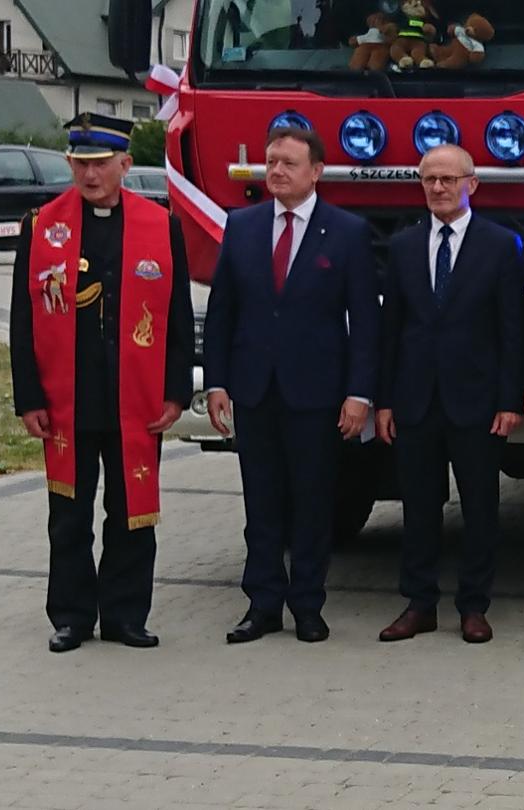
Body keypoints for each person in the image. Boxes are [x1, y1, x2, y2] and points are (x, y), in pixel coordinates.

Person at [10, 113, 192, 653]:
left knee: (132, 513)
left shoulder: (161, 226)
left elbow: (178, 318)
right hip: (69, 399)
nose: (90, 176)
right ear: (69, 164)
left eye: (100, 165)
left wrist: (177, 391)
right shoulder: (42, 226)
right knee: (68, 515)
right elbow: (24, 319)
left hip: (135, 400)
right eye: (80, 164)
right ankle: (70, 615)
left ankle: (125, 614)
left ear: (125, 165)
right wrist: (29, 398)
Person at [205, 127, 379, 644]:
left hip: (317, 393)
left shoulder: (347, 232)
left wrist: (359, 393)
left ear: (316, 171)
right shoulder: (242, 226)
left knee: (312, 500)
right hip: (254, 389)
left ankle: (307, 603)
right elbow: (222, 314)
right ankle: (261, 604)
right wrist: (217, 382)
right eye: (271, 162)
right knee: (261, 502)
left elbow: (365, 320)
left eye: (289, 164)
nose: (276, 171)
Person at [376, 144, 524, 644]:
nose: (438, 188)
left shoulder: (501, 245)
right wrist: (386, 400)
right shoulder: (402, 246)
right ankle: (419, 603)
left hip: (478, 401)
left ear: (472, 184)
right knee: (418, 507)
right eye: (429, 180)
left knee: (480, 506)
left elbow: (512, 330)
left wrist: (508, 400)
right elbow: (390, 329)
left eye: (448, 179)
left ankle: (474, 606)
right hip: (415, 400)